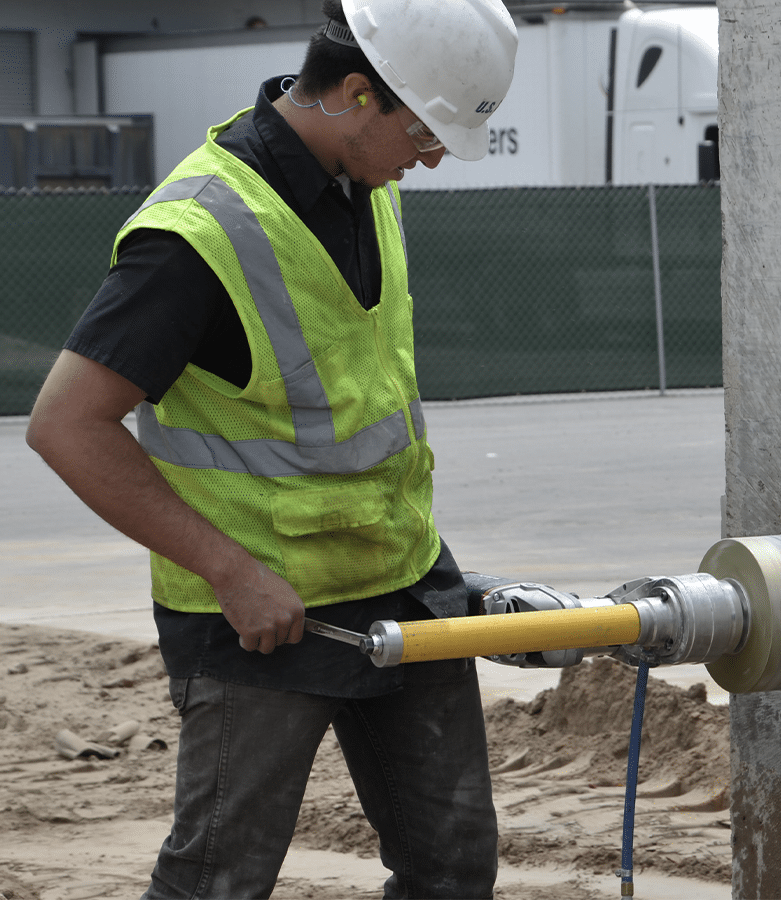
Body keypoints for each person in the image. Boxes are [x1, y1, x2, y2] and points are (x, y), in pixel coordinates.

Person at [25, 0, 518, 896]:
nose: (435, 156)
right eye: (427, 131)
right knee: (218, 879)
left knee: (452, 864)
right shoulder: (199, 233)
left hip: (405, 582)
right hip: (260, 618)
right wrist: (230, 572)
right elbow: (65, 425)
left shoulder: (366, 184)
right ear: (357, 94)